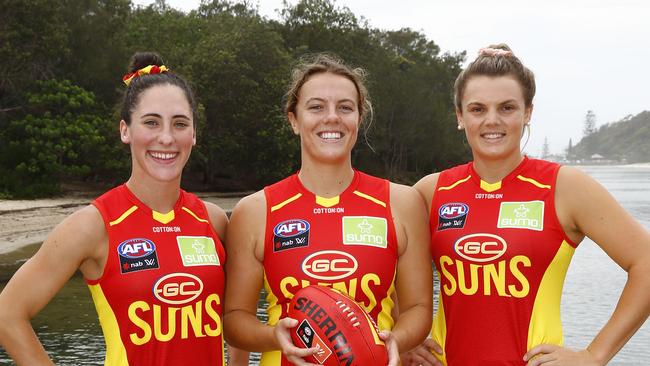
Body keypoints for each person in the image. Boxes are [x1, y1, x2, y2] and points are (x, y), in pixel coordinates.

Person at [405, 44, 650, 366]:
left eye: (507, 107)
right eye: (478, 109)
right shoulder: (431, 190)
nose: (492, 121)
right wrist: (405, 338)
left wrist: (595, 354)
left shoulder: (565, 187)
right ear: (460, 116)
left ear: (528, 112)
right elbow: (383, 265)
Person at [0, 52, 229, 365]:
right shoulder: (93, 225)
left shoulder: (213, 220)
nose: (166, 137)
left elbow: (237, 318)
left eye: (179, 124)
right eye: (151, 122)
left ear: (193, 134)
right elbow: (7, 314)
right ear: (126, 130)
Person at [223, 53, 433, 366]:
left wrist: (396, 341)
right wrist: (272, 336)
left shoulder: (401, 203)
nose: (331, 117)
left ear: (359, 119)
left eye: (345, 107)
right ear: (294, 120)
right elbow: (235, 319)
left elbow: (417, 308)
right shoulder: (255, 211)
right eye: (316, 106)